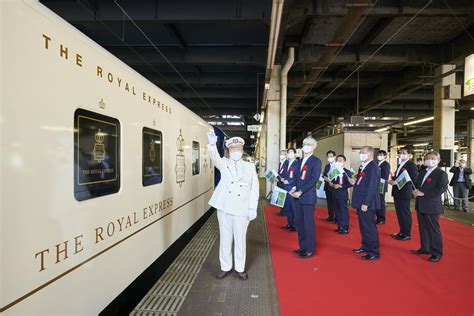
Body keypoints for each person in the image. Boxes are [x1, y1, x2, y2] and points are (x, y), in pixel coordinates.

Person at [207, 132, 259, 280]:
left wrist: (252, 208)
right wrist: (212, 145)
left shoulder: (249, 167)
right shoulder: (224, 163)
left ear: (242, 151)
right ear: (229, 151)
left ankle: (240, 268)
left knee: (240, 239)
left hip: (242, 209)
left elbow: (255, 188)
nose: (235, 151)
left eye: (238, 149)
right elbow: (214, 157)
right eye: (232, 149)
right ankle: (225, 267)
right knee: (225, 238)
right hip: (224, 207)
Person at [412, 151, 448, 262]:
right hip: (420, 204)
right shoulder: (422, 172)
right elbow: (417, 185)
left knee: (433, 230)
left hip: (432, 205)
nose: (430, 160)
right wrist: (415, 191)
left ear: (438, 160)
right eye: (428, 158)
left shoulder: (441, 174)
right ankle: (425, 248)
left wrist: (424, 194)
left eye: (433, 158)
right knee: (422, 228)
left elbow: (442, 189)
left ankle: (436, 252)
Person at [289, 136, 322, 259]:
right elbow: (296, 178)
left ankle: (309, 249)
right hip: (297, 197)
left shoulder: (316, 161)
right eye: (304, 143)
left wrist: (301, 191)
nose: (305, 146)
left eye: (308, 144)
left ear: (314, 146)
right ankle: (302, 247)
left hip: (307, 197)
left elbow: (314, 179)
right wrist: (293, 188)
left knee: (308, 224)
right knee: (300, 223)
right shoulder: (299, 161)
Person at [350, 146, 381, 260]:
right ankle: (365, 246)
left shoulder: (373, 167)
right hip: (360, 200)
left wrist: (366, 203)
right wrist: (355, 181)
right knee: (363, 226)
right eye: (360, 152)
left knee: (369, 227)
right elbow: (363, 182)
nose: (361, 154)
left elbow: (372, 186)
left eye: (364, 152)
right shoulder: (363, 166)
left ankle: (373, 252)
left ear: (370, 154)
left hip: (367, 202)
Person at [389, 146, 418, 241]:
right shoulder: (400, 164)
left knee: (404, 213)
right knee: (399, 213)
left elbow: (412, 179)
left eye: (404, 153)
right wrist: (392, 179)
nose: (401, 154)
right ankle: (402, 231)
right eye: (401, 153)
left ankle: (407, 233)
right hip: (397, 191)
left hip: (404, 192)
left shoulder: (411, 165)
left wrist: (397, 182)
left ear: (410, 155)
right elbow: (398, 177)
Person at [330, 155, 353, 234]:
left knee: (343, 211)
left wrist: (341, 186)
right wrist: (332, 184)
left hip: (342, 194)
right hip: (334, 193)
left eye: (341, 160)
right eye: (337, 160)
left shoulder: (347, 172)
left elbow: (351, 184)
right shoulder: (334, 171)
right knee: (337, 210)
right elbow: (332, 182)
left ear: (344, 162)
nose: (339, 162)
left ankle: (345, 227)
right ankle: (340, 226)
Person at [280, 148, 298, 231]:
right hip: (285, 188)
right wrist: (282, 179)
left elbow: (297, 177)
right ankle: (289, 223)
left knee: (294, 208)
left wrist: (292, 185)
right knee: (288, 207)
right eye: (288, 152)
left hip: (292, 189)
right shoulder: (286, 163)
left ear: (295, 154)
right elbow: (283, 174)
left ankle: (295, 226)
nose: (289, 154)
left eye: (291, 152)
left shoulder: (297, 164)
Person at [375, 150, 390, 224]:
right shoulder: (378, 164)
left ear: (385, 156)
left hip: (381, 185)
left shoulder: (385, 164)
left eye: (381, 155)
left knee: (381, 201)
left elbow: (385, 176)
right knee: (377, 201)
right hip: (376, 185)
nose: (379, 156)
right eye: (378, 154)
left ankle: (381, 218)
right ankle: (378, 217)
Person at [322, 150, 337, 223]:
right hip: (328, 186)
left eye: (331, 156)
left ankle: (337, 218)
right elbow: (324, 175)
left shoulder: (337, 165)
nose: (329, 158)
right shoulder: (327, 166)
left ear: (334, 157)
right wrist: (325, 178)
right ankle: (331, 216)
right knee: (329, 203)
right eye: (328, 157)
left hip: (335, 187)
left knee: (336, 203)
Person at [276, 150, 288, 216]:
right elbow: (279, 173)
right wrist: (276, 177)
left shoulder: (287, 162)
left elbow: (286, 174)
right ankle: (281, 211)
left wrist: (280, 179)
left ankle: (284, 212)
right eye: (280, 154)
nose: (281, 155)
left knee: (284, 198)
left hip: (283, 183)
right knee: (280, 197)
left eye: (283, 154)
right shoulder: (280, 163)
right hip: (279, 183)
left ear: (286, 155)